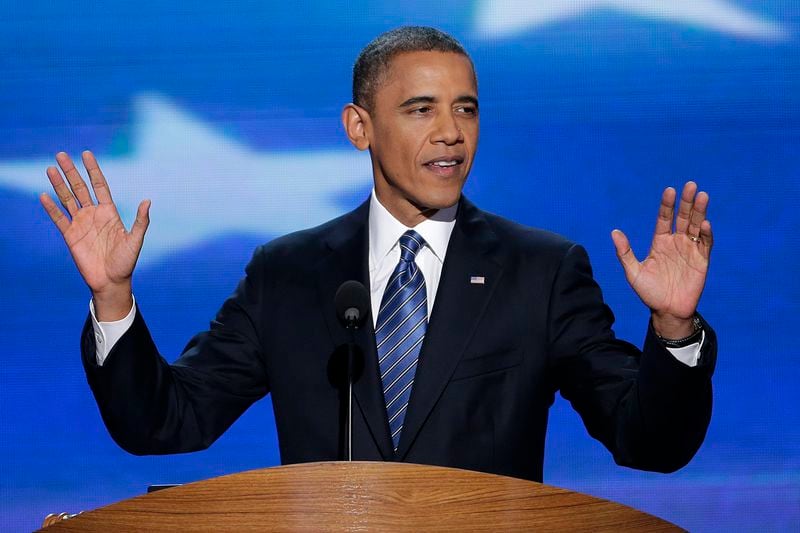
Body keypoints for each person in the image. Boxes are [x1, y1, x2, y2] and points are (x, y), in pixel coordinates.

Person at [40, 27, 715, 482]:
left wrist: (675, 331)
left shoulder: (541, 271)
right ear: (358, 126)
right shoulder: (288, 273)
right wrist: (113, 299)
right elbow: (164, 421)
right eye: (421, 109)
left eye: (466, 109)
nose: (451, 132)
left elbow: (648, 442)